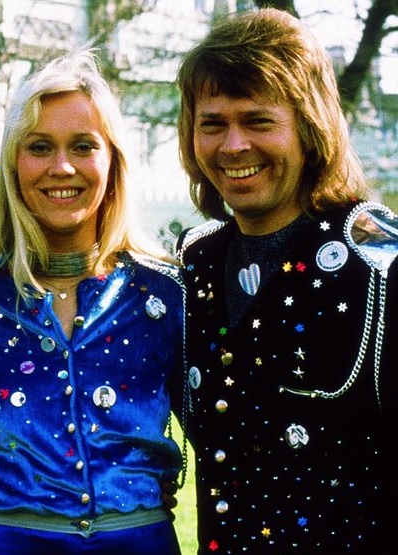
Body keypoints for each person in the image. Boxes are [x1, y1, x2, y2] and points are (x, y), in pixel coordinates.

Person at [0, 49, 186, 555]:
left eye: (83, 146)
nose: (61, 167)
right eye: (39, 147)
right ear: (12, 163)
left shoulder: (165, 295)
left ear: (113, 161)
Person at [173, 8, 395, 554]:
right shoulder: (192, 266)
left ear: (309, 127)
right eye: (213, 123)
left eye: (258, 121)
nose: (233, 146)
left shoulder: (379, 265)